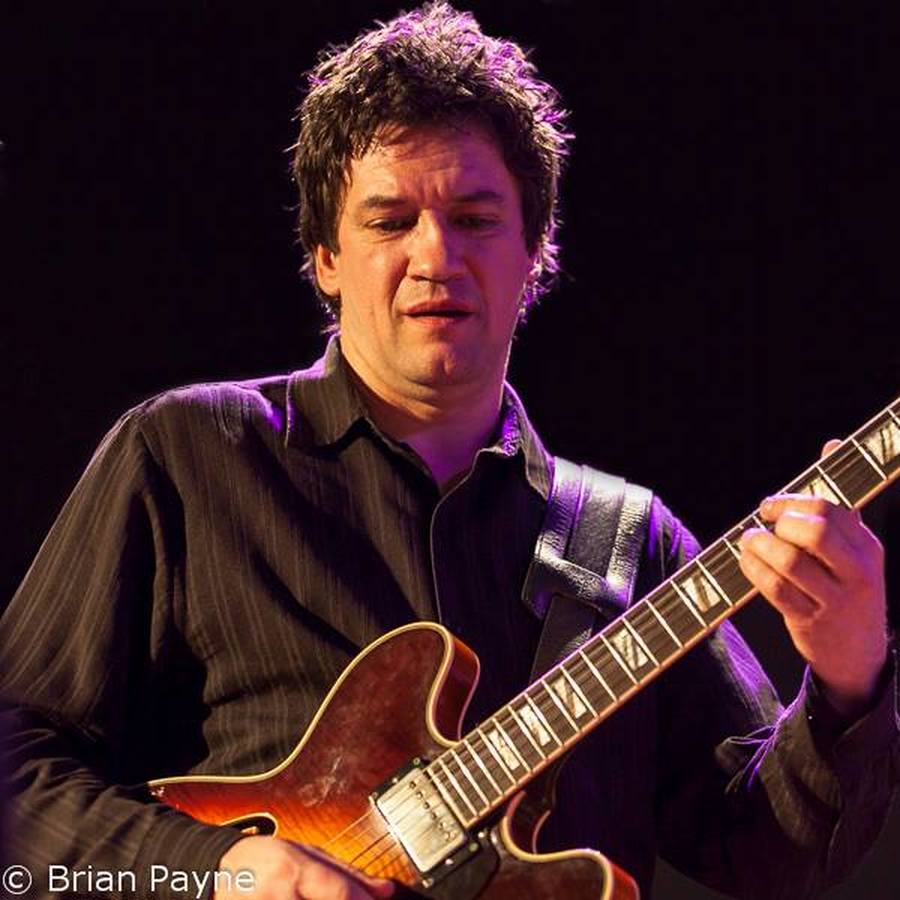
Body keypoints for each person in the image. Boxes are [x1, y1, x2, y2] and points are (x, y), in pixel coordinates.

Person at [1, 4, 897, 899]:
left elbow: (768, 858)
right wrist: (225, 868)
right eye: (391, 221)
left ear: (535, 250)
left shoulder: (631, 542)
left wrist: (850, 677)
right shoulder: (187, 456)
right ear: (326, 256)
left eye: (474, 219)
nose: (436, 256)